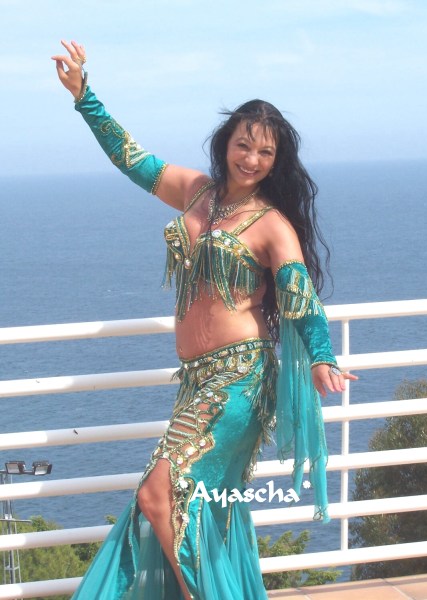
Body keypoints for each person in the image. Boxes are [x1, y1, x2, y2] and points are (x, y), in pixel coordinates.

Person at [52, 40, 357, 600]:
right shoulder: (196, 192)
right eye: (244, 145)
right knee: (194, 504)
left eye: (265, 152)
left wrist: (321, 357)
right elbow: (131, 158)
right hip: (196, 382)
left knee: (158, 496)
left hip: (239, 381)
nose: (252, 159)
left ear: (276, 161)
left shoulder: (272, 225)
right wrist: (84, 96)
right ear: (226, 144)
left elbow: (301, 297)